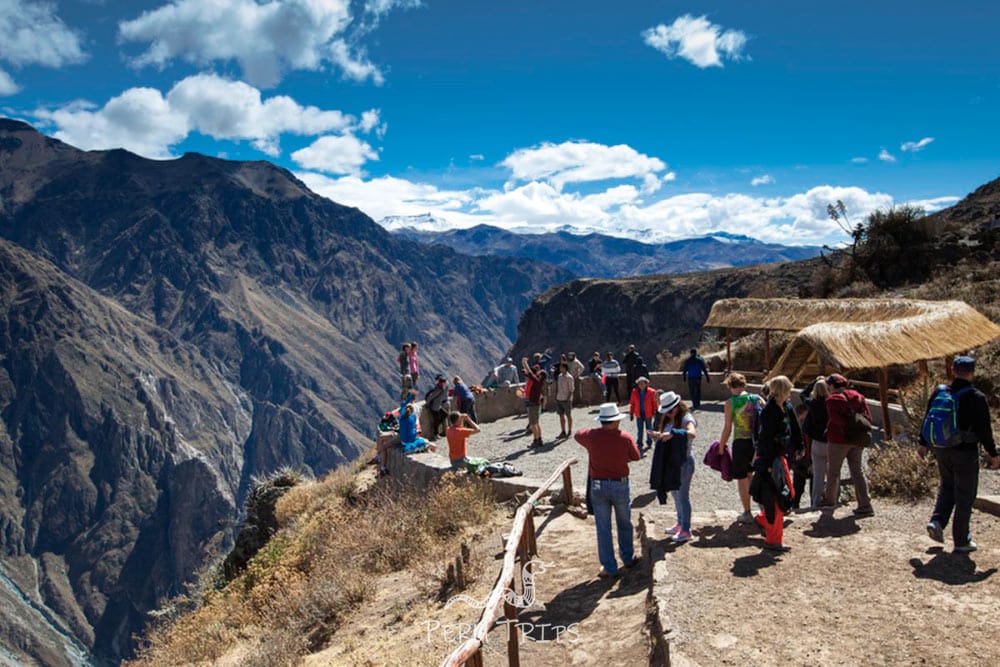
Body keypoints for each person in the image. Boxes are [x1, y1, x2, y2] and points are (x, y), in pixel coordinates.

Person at [918, 356, 999, 553]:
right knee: (965, 495)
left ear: (953, 371)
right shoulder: (976, 397)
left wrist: (923, 443)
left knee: (947, 486)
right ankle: (962, 541)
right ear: (972, 372)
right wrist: (993, 453)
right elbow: (984, 430)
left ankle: (937, 521)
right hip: (965, 451)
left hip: (941, 448)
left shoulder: (940, 391)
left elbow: (928, 417)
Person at [574, 403, 641, 578]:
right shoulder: (625, 437)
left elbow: (577, 434)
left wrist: (595, 432)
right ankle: (627, 558)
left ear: (602, 420)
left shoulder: (591, 436)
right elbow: (636, 456)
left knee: (603, 527)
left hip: (598, 486)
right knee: (624, 522)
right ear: (616, 421)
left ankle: (609, 567)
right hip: (620, 485)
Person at [750, 375, 802, 552]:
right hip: (771, 460)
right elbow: (764, 439)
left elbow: (794, 427)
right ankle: (773, 540)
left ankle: (763, 520)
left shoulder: (786, 407)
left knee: (787, 494)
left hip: (780, 458)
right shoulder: (769, 411)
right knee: (777, 499)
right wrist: (769, 464)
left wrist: (799, 446)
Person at [822, 374, 874, 516]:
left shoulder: (832, 400)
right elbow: (868, 417)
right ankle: (865, 504)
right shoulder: (858, 397)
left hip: (838, 440)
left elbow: (835, 419)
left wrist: (845, 427)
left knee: (833, 472)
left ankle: (830, 503)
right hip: (857, 439)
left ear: (831, 385)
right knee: (857, 471)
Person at [716, 373, 763, 523]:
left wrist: (721, 446)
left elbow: (728, 428)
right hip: (756, 443)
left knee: (742, 478)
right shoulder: (757, 399)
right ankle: (763, 507)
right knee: (754, 475)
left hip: (740, 442)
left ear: (730, 386)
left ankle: (747, 512)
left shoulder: (731, 403)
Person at [651, 392, 697, 542]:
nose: (669, 414)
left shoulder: (686, 418)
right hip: (673, 462)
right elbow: (668, 434)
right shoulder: (670, 418)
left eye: (670, 411)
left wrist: (674, 434)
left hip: (684, 461)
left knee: (682, 496)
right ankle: (680, 523)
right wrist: (659, 435)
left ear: (677, 407)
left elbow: (692, 433)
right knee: (675, 494)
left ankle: (686, 529)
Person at [800, 377, 830, 509]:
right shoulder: (831, 403)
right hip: (831, 442)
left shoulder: (812, 404)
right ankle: (833, 499)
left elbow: (802, 394)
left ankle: (816, 503)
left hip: (817, 442)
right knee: (833, 474)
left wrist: (814, 381)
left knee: (818, 476)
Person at [522, 358, 547, 447]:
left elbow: (529, 372)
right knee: (536, 423)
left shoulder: (536, 381)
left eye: (539, 373)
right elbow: (529, 373)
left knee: (533, 424)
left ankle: (536, 440)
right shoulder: (539, 382)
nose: (537, 373)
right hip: (536, 404)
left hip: (532, 404)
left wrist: (524, 362)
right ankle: (539, 439)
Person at [629, 376, 658, 450]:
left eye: (643, 383)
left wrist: (655, 412)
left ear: (646, 384)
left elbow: (654, 403)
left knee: (649, 429)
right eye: (640, 383)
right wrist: (631, 413)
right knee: (640, 430)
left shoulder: (652, 392)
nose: (641, 385)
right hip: (639, 414)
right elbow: (632, 403)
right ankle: (639, 443)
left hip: (648, 413)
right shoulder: (634, 392)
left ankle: (649, 442)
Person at [424, 374, 450, 439]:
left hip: (438, 405)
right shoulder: (439, 389)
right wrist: (427, 403)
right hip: (434, 406)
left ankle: (436, 428)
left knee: (444, 415)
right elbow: (431, 397)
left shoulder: (441, 387)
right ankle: (435, 434)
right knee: (437, 419)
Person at [555, 361, 575, 439]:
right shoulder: (559, 376)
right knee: (561, 415)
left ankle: (569, 431)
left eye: (561, 367)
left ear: (565, 368)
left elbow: (571, 389)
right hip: (559, 398)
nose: (560, 369)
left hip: (566, 399)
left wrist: (568, 399)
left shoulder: (569, 377)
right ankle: (563, 431)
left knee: (568, 415)